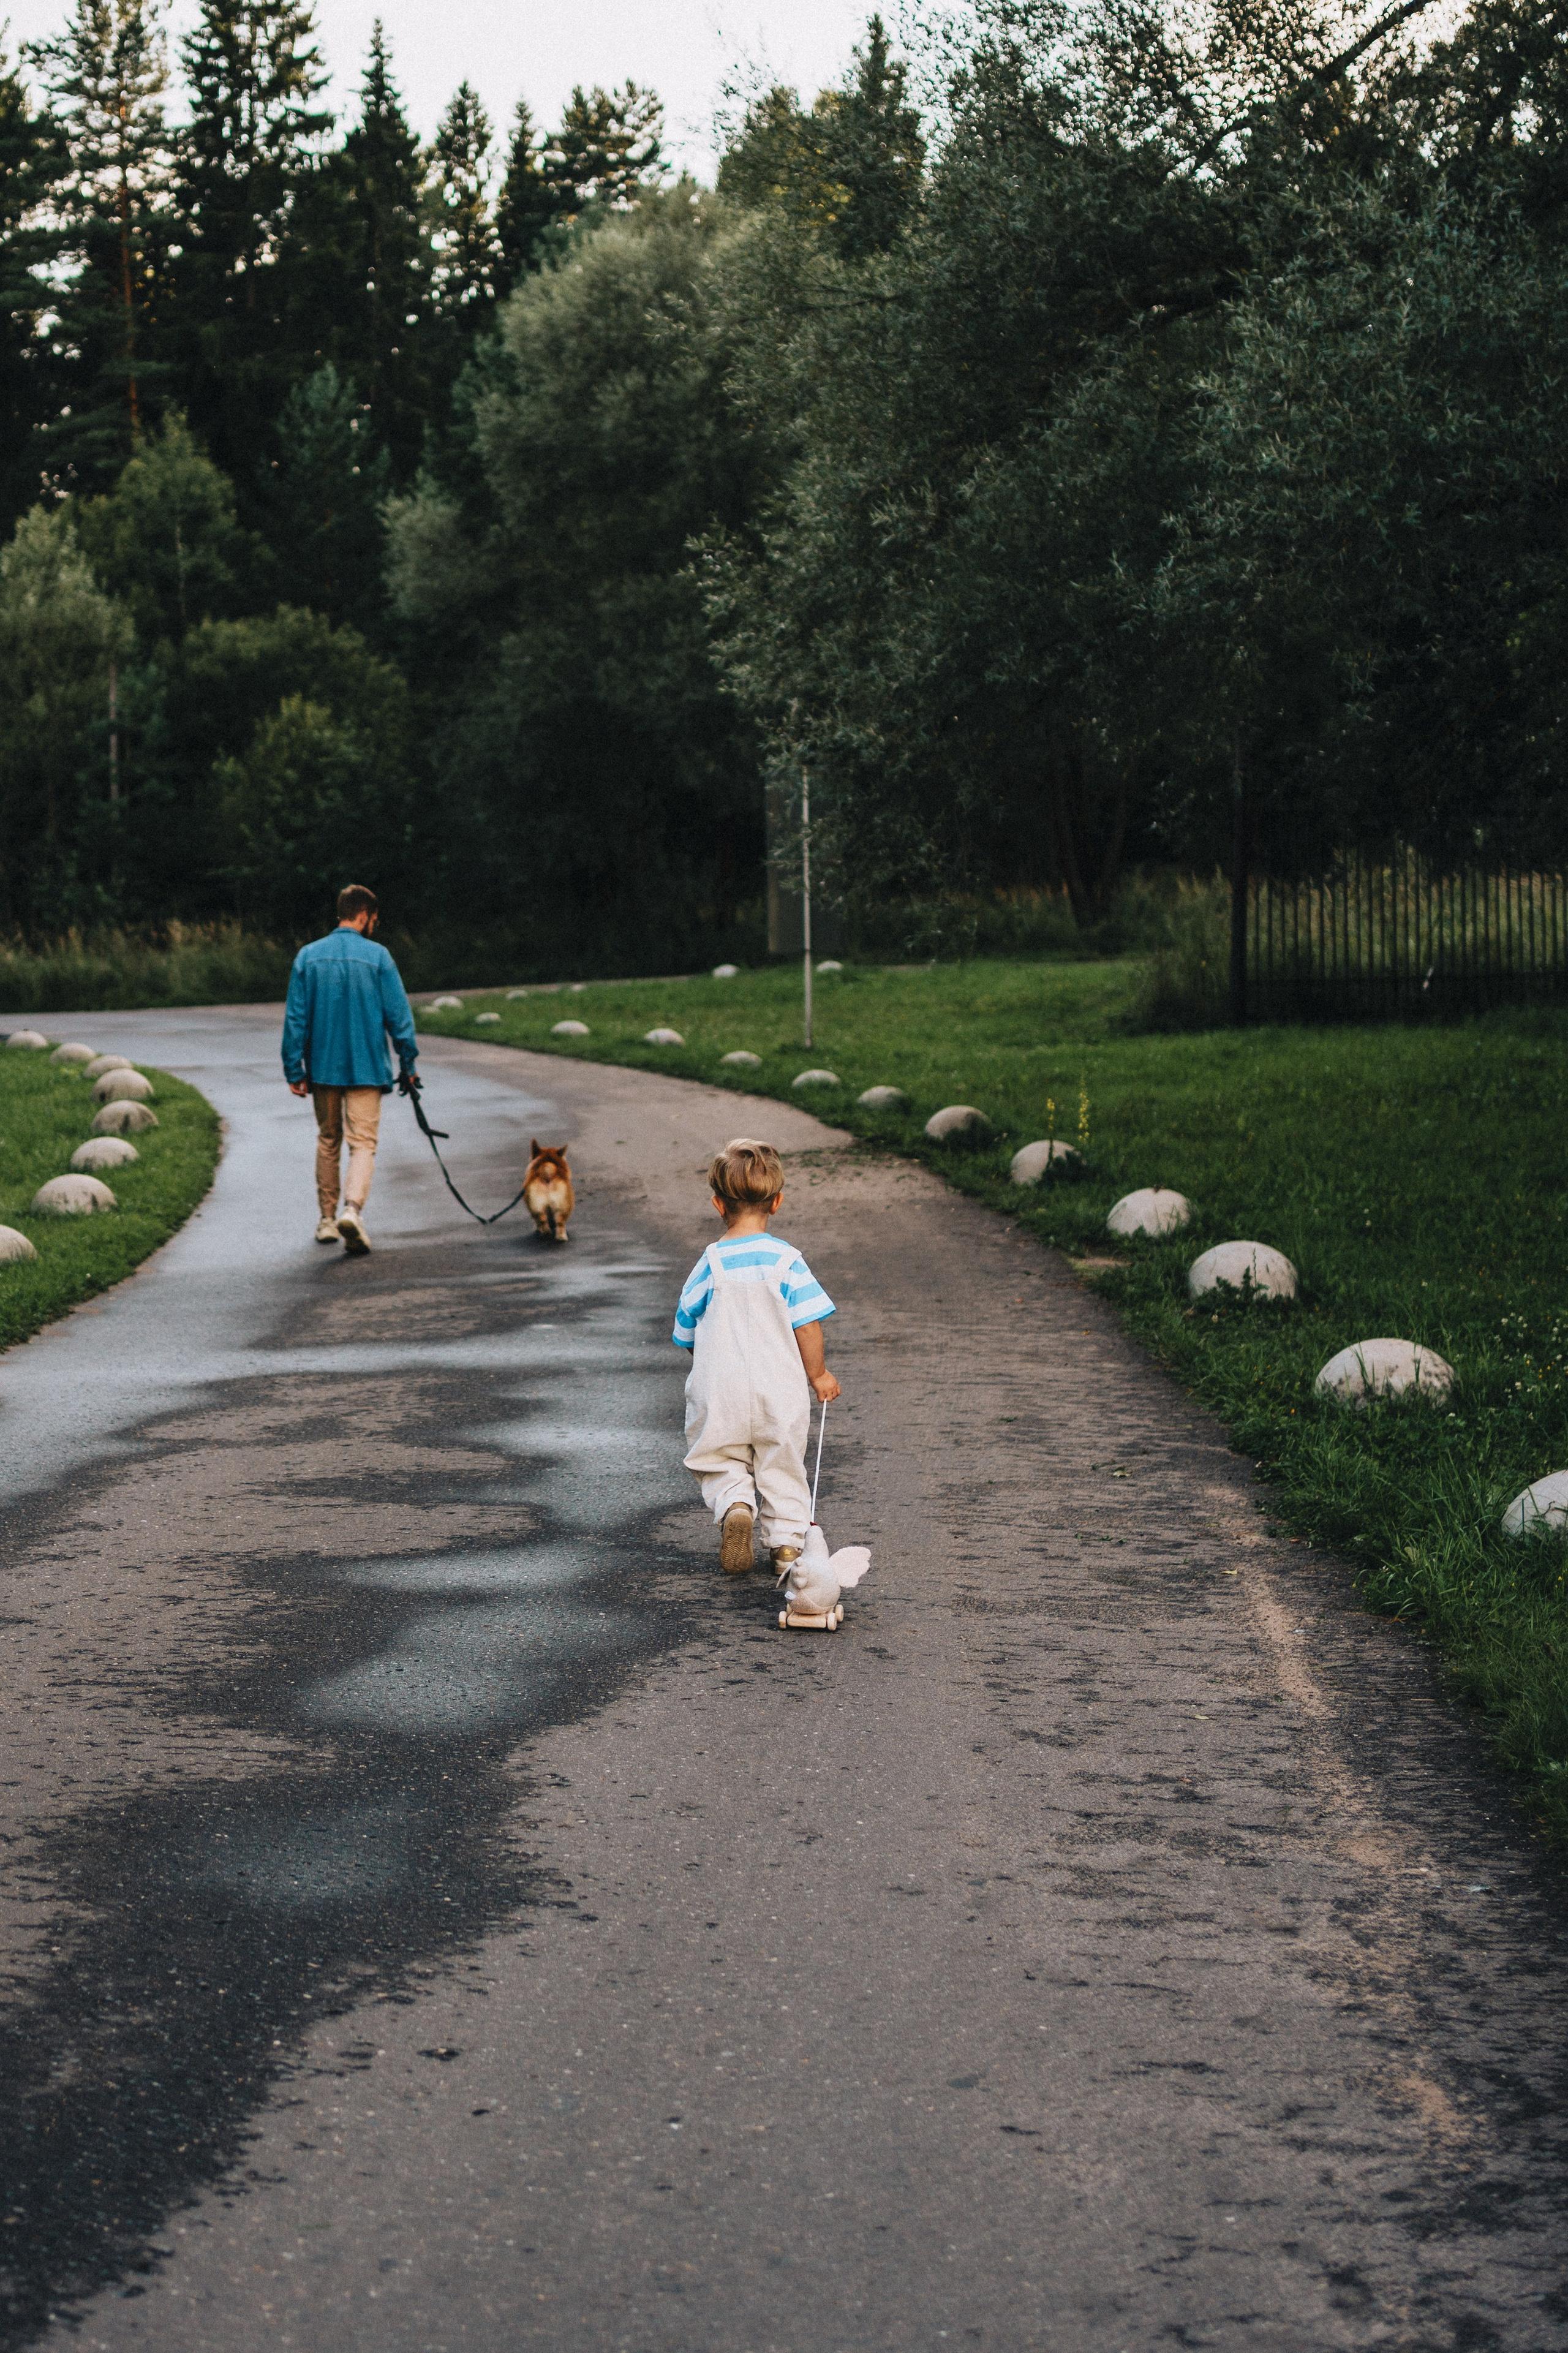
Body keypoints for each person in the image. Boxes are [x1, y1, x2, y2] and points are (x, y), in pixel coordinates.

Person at [673, 1137, 841, 1578]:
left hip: (721, 1389)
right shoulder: (788, 1262)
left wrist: (705, 1353)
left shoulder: (710, 1263)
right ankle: (786, 1547)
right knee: (783, 1465)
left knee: (718, 1456)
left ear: (716, 1204)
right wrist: (818, 1373)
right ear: (778, 1202)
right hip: (778, 1389)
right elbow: (808, 1324)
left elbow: (686, 1328)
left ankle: (735, 1504)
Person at [281, 884, 418, 1256]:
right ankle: (352, 1212)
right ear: (364, 916)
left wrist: (294, 1068)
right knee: (363, 1144)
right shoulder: (378, 957)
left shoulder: (308, 957)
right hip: (367, 1067)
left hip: (323, 1067)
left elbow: (296, 1018)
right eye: (374, 918)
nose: (375, 924)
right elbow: (399, 1017)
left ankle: (326, 1221)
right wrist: (408, 1063)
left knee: (329, 1140)